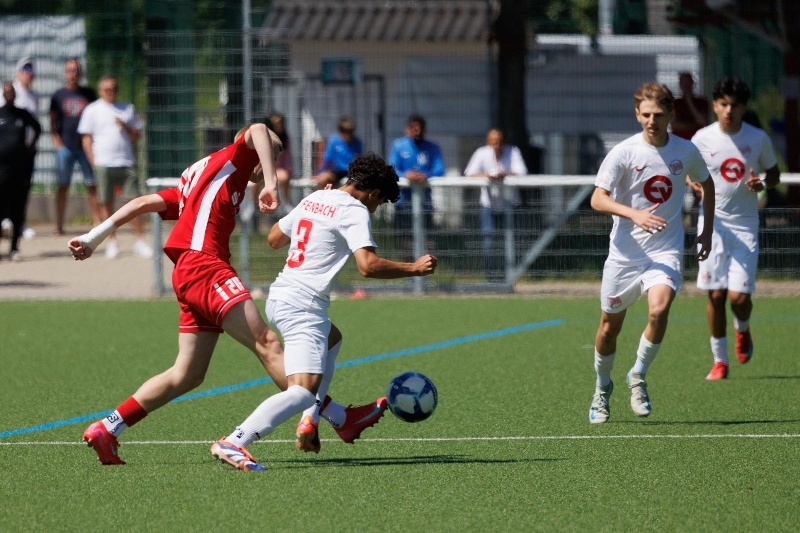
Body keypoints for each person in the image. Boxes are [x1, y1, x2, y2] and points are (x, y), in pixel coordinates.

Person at [71, 123, 370, 465]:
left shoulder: (204, 178)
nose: (266, 167)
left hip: (188, 271)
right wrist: (271, 181)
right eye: (269, 159)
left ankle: (108, 427)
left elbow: (143, 202)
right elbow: (258, 129)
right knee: (267, 342)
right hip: (205, 266)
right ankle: (337, 418)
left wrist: (93, 237)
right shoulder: (234, 160)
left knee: (187, 374)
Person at [210, 153, 438, 471]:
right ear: (372, 193)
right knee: (303, 392)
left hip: (281, 296)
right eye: (379, 202)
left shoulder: (317, 197)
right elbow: (368, 266)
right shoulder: (356, 210)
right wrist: (414, 268)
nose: (375, 209)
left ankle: (334, 419)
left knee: (333, 339)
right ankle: (236, 440)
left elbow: (274, 239)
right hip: (303, 306)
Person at [588, 82, 716, 424]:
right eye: (646, 114)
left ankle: (638, 375)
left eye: (658, 114)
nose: (651, 121)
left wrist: (706, 230)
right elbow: (597, 199)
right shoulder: (623, 152)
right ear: (637, 114)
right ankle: (602, 388)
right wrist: (634, 214)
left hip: (664, 252)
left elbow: (707, 184)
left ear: (670, 114)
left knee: (659, 310)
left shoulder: (685, 151)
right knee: (608, 329)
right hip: (624, 256)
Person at [689, 78, 780, 381]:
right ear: (715, 106)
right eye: (724, 104)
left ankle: (743, 329)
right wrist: (692, 183)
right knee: (716, 295)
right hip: (711, 224)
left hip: (744, 226)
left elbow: (774, 174)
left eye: (735, 105)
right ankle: (720, 360)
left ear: (743, 108)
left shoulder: (757, 138)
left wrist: (762, 183)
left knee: (739, 299)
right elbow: (688, 171)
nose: (729, 110)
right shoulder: (702, 138)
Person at [77, 75, 152, 259]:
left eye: (113, 89)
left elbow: (137, 136)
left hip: (126, 162)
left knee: (133, 202)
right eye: (107, 89)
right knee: (106, 202)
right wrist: (93, 161)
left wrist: (125, 126)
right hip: (103, 163)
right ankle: (112, 241)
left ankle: (140, 240)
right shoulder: (92, 110)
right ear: (100, 91)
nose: (110, 92)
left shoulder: (127, 108)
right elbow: (86, 138)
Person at [464, 127, 528, 282]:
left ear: (504, 142)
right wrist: (487, 176)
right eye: (493, 142)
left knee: (511, 242)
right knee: (488, 242)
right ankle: (491, 278)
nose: (496, 145)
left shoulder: (513, 151)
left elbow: (522, 172)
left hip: (510, 204)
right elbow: (469, 174)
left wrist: (504, 175)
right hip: (488, 204)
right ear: (488, 142)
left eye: (499, 142)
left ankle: (509, 277)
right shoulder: (481, 153)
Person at [50, 58, 101, 236]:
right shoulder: (58, 95)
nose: (73, 73)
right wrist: (57, 141)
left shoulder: (88, 94)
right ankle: (59, 224)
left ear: (80, 73)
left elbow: (96, 118)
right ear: (66, 73)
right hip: (66, 146)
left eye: (76, 70)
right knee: (63, 185)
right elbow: (53, 120)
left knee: (92, 184)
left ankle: (97, 222)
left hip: (85, 146)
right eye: (70, 70)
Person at [388, 114, 445, 260]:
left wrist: (426, 175)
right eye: (413, 128)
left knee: (427, 240)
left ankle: (426, 271)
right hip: (403, 202)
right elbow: (392, 168)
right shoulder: (398, 146)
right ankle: (409, 271)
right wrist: (405, 175)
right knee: (406, 241)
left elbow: (440, 169)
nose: (416, 131)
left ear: (424, 130)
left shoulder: (432, 147)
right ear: (407, 129)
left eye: (420, 128)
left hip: (425, 202)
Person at [0, 58, 40, 242]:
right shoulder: (8, 91)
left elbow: (36, 126)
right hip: (4, 158)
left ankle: (20, 224)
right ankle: (5, 221)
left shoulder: (34, 96)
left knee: (22, 190)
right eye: (24, 71)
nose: (28, 75)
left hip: (23, 155)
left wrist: (29, 147)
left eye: (30, 72)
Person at [312, 116, 363, 189]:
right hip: (337, 171)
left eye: (350, 132)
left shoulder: (357, 142)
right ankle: (324, 195)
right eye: (346, 132)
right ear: (341, 132)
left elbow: (359, 160)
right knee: (323, 180)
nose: (349, 135)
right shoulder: (334, 140)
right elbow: (328, 159)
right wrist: (320, 173)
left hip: (351, 171)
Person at [266, 112, 295, 208]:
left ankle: (287, 203)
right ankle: (253, 205)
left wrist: (289, 171)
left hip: (278, 170)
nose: (279, 126)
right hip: (264, 170)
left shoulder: (285, 139)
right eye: (276, 124)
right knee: (256, 180)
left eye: (281, 123)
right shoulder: (265, 138)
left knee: (284, 176)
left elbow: (288, 158)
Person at [671, 72, 708, 141]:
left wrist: (690, 102)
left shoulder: (701, 102)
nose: (685, 85)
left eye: (687, 82)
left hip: (697, 141)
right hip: (679, 140)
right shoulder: (675, 103)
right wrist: (694, 125)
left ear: (692, 83)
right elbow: (674, 125)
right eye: (683, 82)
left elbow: (703, 121)